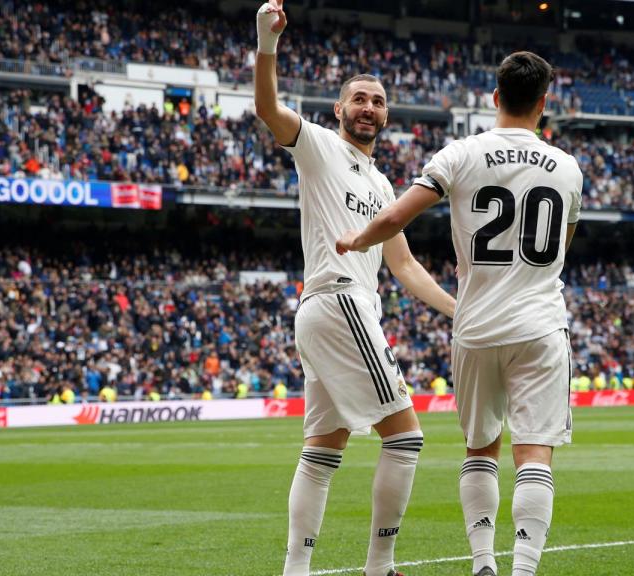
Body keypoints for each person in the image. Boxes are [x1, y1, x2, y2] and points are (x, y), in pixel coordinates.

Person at [337, 51, 582, 576]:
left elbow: (398, 214)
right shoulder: (568, 168)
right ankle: (523, 570)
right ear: (543, 103)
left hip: (476, 327)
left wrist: (358, 238)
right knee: (535, 456)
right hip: (540, 324)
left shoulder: (461, 154)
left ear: (495, 98)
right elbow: (562, 243)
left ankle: (481, 562)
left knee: (479, 450)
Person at [253, 3, 456, 575]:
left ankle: (295, 570)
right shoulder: (318, 145)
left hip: (330, 309)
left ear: (387, 114)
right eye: (359, 99)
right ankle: (379, 566)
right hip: (339, 300)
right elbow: (267, 108)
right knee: (407, 439)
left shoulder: (385, 181)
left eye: (378, 100)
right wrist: (266, 42)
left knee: (321, 452)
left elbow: (405, 265)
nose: (369, 107)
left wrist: (456, 310)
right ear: (338, 108)